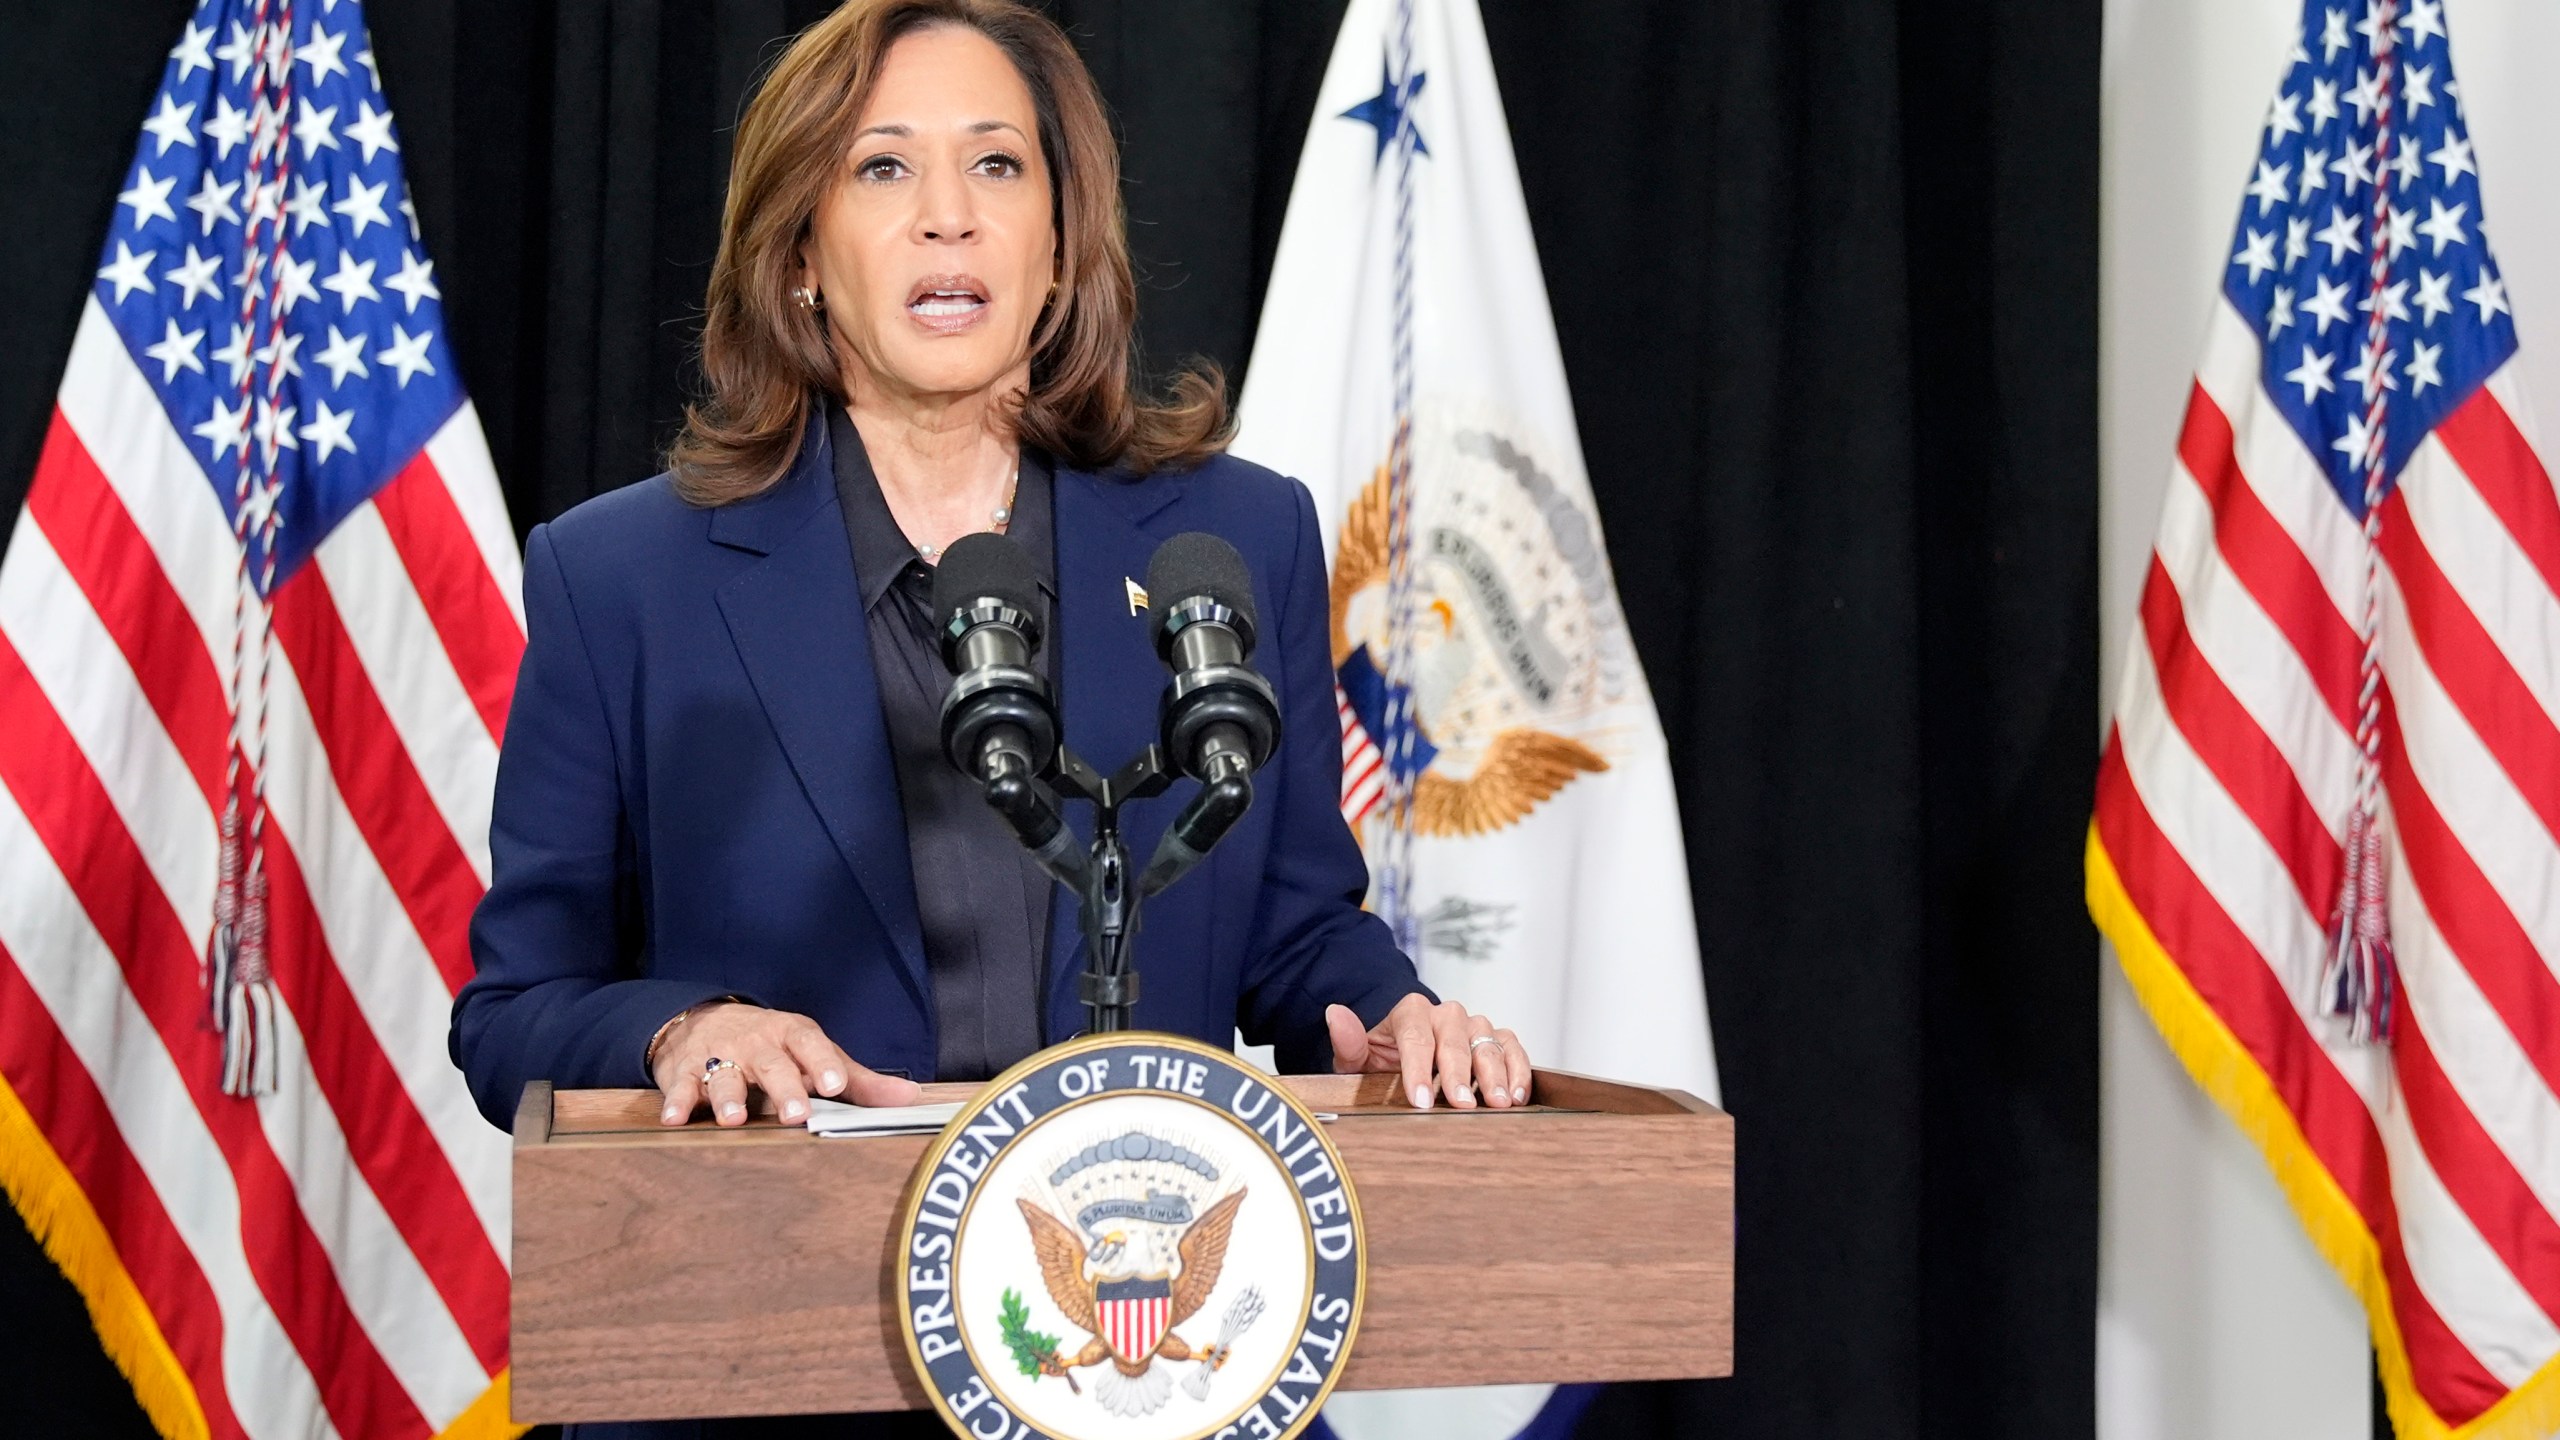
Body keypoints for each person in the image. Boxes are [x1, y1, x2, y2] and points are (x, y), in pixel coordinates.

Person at [451, 0, 1531, 1167]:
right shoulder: (622, 582)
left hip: (1143, 1248)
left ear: (1059, 242)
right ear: (801, 251)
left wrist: (1392, 1018)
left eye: (997, 164)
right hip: (790, 1252)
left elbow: (1295, 928)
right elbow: (514, 1014)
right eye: (883, 167)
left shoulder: (1235, 538)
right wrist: (684, 1030)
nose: (948, 216)